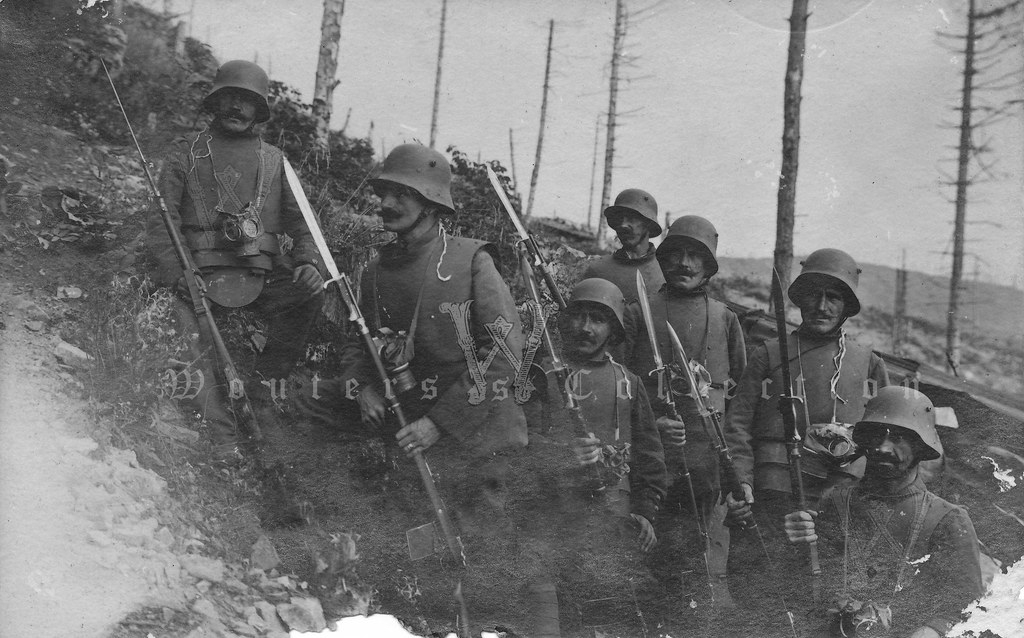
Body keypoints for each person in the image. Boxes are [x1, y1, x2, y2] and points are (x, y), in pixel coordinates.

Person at [146, 60, 325, 460]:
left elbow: (304, 223)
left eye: (247, 101)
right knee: (187, 331)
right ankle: (221, 434)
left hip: (261, 272)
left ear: (259, 110)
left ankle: (263, 392)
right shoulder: (184, 153)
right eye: (229, 97)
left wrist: (309, 262)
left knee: (308, 295)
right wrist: (178, 272)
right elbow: (162, 220)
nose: (237, 107)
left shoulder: (274, 160)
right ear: (215, 101)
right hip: (200, 273)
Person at [723, 248, 890, 621]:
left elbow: (884, 438)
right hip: (770, 497)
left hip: (837, 503)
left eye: (834, 297)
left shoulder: (868, 363)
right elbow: (738, 425)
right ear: (800, 298)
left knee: (825, 605)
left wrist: (849, 488)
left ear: (847, 306)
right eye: (814, 294)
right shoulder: (768, 354)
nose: (822, 306)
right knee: (758, 600)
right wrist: (742, 481)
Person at [518, 278, 668, 637]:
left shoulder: (627, 383)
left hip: (611, 517)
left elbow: (650, 456)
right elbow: (517, 443)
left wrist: (645, 511)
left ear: (613, 329)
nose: (586, 328)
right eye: (579, 316)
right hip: (550, 516)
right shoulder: (539, 376)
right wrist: (562, 454)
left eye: (598, 319)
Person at [784, 387, 984, 637]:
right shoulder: (836, 501)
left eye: (898, 438)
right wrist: (798, 542)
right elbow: (804, 587)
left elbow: (968, 605)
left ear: (921, 447)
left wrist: (933, 630)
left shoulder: (947, 519)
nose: (883, 447)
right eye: (876, 435)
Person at [622, 215, 746, 608]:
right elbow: (617, 386)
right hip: (648, 463)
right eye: (676, 254)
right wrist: (652, 424)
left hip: (704, 465)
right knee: (639, 562)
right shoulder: (638, 312)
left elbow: (738, 397)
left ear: (709, 266)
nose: (685, 264)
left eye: (696, 256)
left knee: (692, 563)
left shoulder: (725, 319)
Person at [581, 188, 665, 304]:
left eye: (632, 218)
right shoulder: (598, 270)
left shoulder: (665, 272)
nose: (623, 225)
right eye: (619, 219)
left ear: (648, 224)